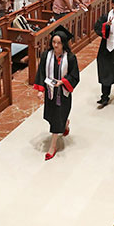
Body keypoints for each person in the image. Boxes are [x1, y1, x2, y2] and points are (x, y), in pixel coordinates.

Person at [34, 28, 80, 160]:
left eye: (58, 43)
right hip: (50, 93)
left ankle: (52, 146)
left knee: (57, 118)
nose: (55, 45)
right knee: (53, 117)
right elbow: (41, 73)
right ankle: (65, 124)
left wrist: (63, 81)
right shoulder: (46, 55)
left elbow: (75, 75)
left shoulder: (70, 58)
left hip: (63, 94)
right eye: (54, 42)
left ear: (64, 43)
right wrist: (40, 90)